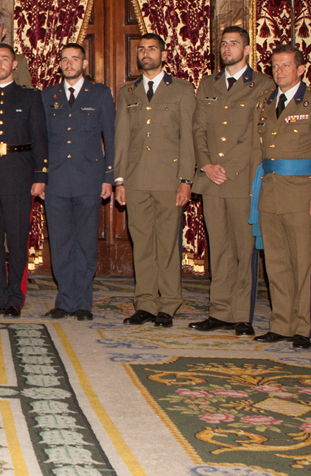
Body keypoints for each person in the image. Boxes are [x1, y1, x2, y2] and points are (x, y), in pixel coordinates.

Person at [250, 44, 311, 349]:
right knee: (275, 262)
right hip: (271, 192)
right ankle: (281, 323)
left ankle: (302, 327)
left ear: (301, 69)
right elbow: (258, 152)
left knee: (302, 263)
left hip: (303, 195)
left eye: (286, 66)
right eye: (275, 66)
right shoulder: (265, 102)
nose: (279, 71)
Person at [190, 26, 272, 336]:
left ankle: (241, 315)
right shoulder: (208, 83)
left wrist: (227, 168)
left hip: (241, 180)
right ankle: (219, 311)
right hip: (211, 180)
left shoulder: (262, 84)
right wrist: (207, 165)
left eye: (234, 44)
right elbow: (198, 129)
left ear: (248, 49)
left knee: (243, 249)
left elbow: (257, 137)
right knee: (219, 247)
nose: (227, 48)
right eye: (224, 44)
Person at [114, 33, 196, 327]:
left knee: (167, 243)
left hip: (168, 179)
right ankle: (145, 302)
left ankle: (169, 303)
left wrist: (186, 180)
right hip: (136, 180)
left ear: (163, 54)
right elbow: (121, 138)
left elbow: (188, 138)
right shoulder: (128, 93)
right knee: (143, 243)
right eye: (141, 49)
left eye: (151, 49)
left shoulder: (182, 91)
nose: (145, 54)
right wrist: (119, 180)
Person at [0, 44, 48, 317]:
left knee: (17, 240)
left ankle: (15, 296)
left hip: (19, 175)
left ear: (15, 65)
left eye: (5, 59)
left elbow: (40, 139)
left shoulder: (29, 98)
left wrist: (40, 176)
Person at [41, 43, 114, 320]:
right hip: (56, 180)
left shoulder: (100, 94)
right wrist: (41, 177)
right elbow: (42, 140)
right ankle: (64, 300)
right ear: (59, 64)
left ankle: (83, 302)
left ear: (84, 63)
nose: (69, 63)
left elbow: (112, 138)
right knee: (60, 242)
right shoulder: (48, 96)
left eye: (75, 59)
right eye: (64, 59)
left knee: (85, 242)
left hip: (89, 180)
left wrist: (109, 177)